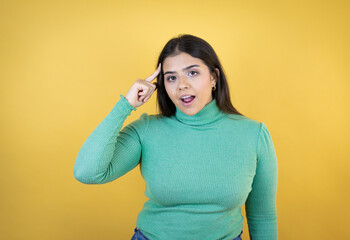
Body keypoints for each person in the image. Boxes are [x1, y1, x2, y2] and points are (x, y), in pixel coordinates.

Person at [73, 34, 279, 240]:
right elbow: (87, 172)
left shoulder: (254, 134)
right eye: (171, 77)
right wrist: (125, 105)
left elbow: (263, 216)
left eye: (192, 73)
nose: (182, 85)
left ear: (214, 77)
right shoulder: (146, 130)